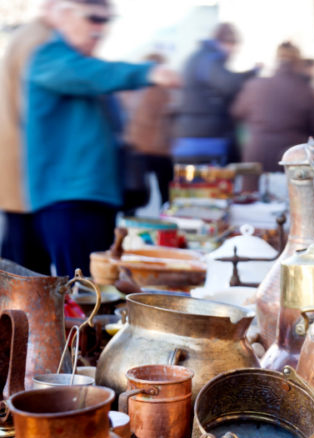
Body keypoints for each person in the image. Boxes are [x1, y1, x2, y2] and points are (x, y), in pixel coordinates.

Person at [24, 0, 180, 277]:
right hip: (71, 201)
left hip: (91, 200)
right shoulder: (49, 57)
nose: (101, 28)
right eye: (93, 18)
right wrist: (147, 71)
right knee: (85, 295)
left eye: (106, 20)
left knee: (99, 292)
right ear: (64, 14)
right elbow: (95, 75)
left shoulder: (79, 63)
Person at [0, 0, 57, 274]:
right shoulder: (40, 39)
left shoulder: (32, 35)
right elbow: (35, 111)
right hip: (26, 168)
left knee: (18, 255)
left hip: (20, 165)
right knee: (26, 267)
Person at [172, 23, 261, 166]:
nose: (233, 51)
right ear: (224, 42)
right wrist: (253, 73)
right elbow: (228, 84)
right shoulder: (210, 58)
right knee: (211, 185)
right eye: (232, 45)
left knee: (192, 186)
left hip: (192, 135)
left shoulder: (198, 57)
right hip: (205, 138)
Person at [232, 42, 314, 173]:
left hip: (257, 157)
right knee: (290, 193)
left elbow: (237, 112)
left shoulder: (255, 85)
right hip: (291, 159)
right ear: (297, 63)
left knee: (252, 193)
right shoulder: (304, 90)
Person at [122, 53, 174, 206]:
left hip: (136, 147)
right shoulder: (160, 90)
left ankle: (128, 226)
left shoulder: (132, 88)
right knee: (167, 195)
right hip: (158, 149)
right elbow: (167, 116)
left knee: (135, 194)